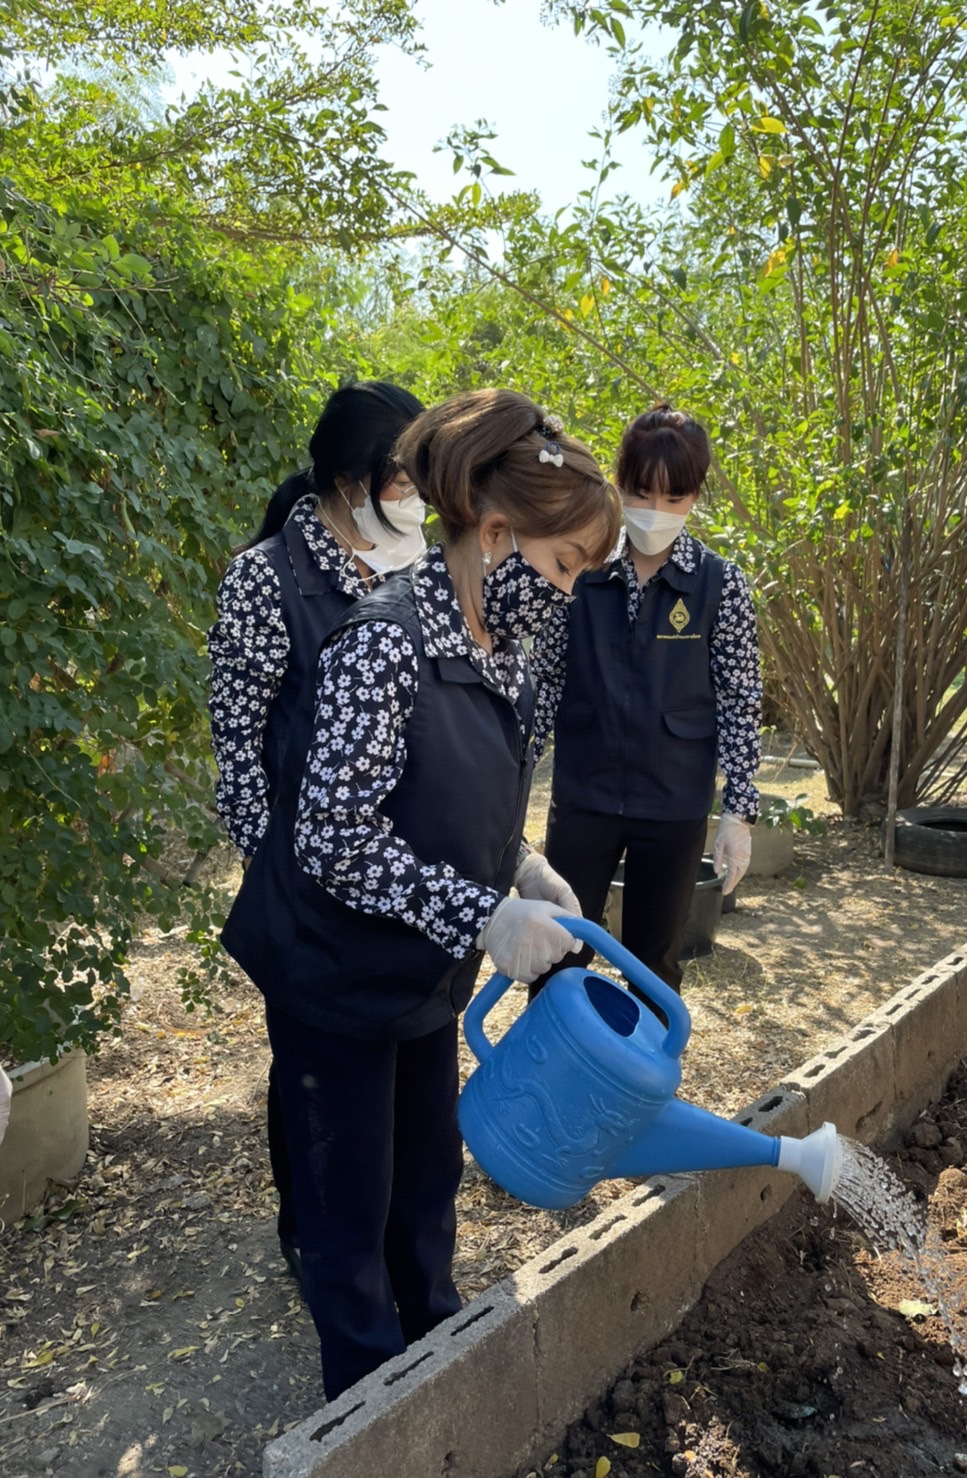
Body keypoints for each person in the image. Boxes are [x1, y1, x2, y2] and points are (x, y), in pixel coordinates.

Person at [219, 388, 621, 1401]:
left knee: (425, 1183)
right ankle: (365, 1403)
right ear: (494, 532)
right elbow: (330, 836)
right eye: (564, 564)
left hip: (419, 972)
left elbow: (457, 795)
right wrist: (484, 913)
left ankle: (434, 1360)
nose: (567, 591)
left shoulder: (504, 651)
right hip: (336, 973)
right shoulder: (381, 645)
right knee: (346, 1208)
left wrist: (520, 864)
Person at [207, 379, 424, 1287]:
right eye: (405, 478)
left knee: (402, 1081)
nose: (419, 498)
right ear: (348, 481)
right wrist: (280, 871)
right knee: (311, 1072)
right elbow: (238, 739)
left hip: (399, 870)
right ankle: (311, 1229)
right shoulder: (267, 580)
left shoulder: (413, 565)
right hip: (305, 883)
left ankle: (392, 1242)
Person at [530, 402, 762, 1000]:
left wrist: (739, 811)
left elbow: (740, 699)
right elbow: (544, 681)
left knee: (653, 967)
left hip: (674, 802)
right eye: (640, 493)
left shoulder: (719, 585)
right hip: (585, 796)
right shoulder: (577, 569)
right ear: (618, 483)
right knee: (559, 951)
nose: (655, 512)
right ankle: (550, 1083)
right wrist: (510, 776)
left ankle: (635, 1090)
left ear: (694, 496)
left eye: (674, 498)